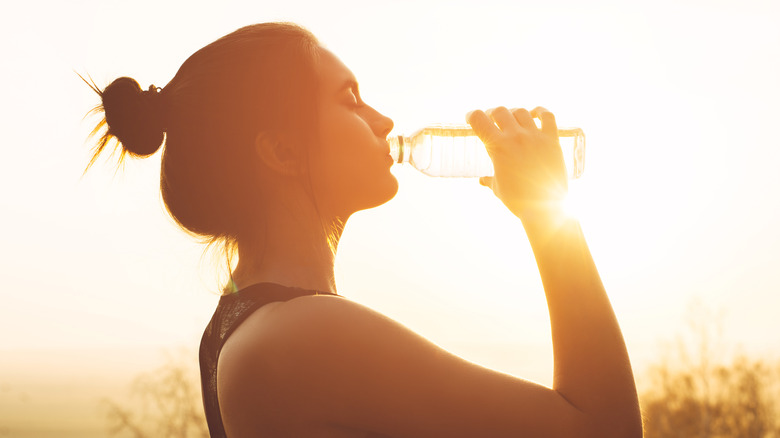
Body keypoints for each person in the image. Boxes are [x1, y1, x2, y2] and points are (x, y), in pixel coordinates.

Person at [85, 22, 642, 438]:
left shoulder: (236, 330)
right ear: (280, 150)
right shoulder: (302, 335)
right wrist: (549, 218)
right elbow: (605, 429)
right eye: (349, 98)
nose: (383, 121)